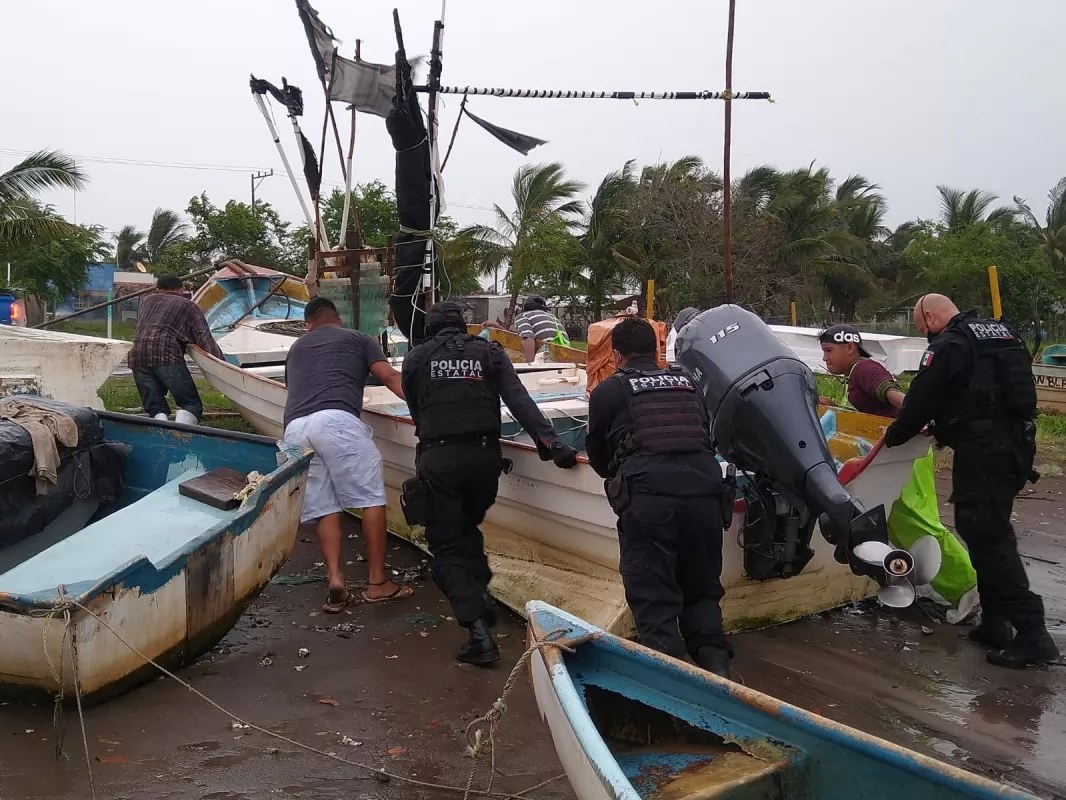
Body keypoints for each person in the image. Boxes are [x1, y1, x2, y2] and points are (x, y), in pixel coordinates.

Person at [884, 294, 1059, 669]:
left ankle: (1032, 632)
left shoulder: (950, 344)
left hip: (984, 451)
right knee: (983, 530)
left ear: (931, 318)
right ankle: (996, 623)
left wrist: (893, 438)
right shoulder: (1003, 334)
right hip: (1015, 445)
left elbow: (920, 400)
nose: (924, 335)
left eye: (921, 328)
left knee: (987, 534)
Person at [402, 301, 579, 666]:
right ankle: (479, 592)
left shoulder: (417, 358)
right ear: (463, 325)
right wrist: (553, 446)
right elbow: (520, 401)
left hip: (440, 458)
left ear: (430, 328)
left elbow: (417, 410)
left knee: (447, 546)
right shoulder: (489, 352)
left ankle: (479, 633)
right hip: (484, 462)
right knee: (467, 529)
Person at [585, 317, 733, 678]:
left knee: (654, 596)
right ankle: (721, 676)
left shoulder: (609, 391)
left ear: (617, 355)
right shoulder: (690, 383)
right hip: (705, 495)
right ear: (656, 350)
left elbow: (599, 456)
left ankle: (670, 687)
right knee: (701, 591)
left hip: (651, 501)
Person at [818, 324, 979, 623]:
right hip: (901, 454)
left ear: (849, 347)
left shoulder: (865, 370)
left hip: (902, 455)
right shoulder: (858, 373)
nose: (825, 358)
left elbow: (896, 397)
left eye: (829, 351)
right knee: (895, 520)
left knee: (916, 521)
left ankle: (968, 587)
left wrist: (918, 421)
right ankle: (946, 584)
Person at [283, 297, 413, 613]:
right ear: (337, 318)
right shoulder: (358, 338)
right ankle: (378, 583)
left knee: (324, 505)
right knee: (370, 498)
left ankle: (335, 579)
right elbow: (390, 377)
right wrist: (424, 410)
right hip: (336, 421)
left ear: (309, 324)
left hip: (293, 430)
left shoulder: (297, 348)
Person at [129, 273, 225, 425]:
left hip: (136, 354)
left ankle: (160, 430)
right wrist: (222, 364)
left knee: (156, 407)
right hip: (166, 355)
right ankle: (182, 432)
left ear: (158, 288)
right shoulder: (188, 306)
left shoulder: (146, 301)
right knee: (191, 404)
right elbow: (203, 337)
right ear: (181, 289)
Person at [511, 295, 570, 363]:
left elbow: (527, 338)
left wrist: (529, 364)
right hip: (566, 357)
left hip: (547, 356)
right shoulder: (552, 317)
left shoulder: (523, 316)